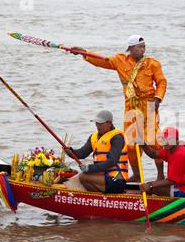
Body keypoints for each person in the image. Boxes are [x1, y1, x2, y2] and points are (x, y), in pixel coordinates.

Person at [70, 35, 167, 182]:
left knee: (154, 141)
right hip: (131, 108)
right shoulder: (119, 61)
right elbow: (100, 60)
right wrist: (83, 52)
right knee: (131, 143)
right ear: (130, 48)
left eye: (144, 47)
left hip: (149, 106)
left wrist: (157, 99)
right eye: (139, 47)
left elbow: (162, 82)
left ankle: (160, 176)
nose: (143, 50)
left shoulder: (153, 64)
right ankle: (137, 175)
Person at [64, 110, 128, 193]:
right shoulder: (94, 137)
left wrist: (89, 168)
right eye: (97, 123)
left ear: (110, 123)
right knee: (80, 178)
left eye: (101, 123)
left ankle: (101, 195)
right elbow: (82, 153)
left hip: (116, 181)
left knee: (83, 176)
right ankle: (99, 196)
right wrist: (71, 152)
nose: (98, 126)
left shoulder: (117, 138)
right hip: (102, 178)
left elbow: (112, 161)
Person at [139, 127, 185, 198]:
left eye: (169, 139)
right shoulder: (171, 148)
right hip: (180, 184)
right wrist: (143, 144)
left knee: (148, 188)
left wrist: (151, 185)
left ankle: (146, 207)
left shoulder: (178, 154)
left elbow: (171, 181)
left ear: (176, 140)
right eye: (164, 139)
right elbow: (154, 154)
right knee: (149, 186)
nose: (165, 142)